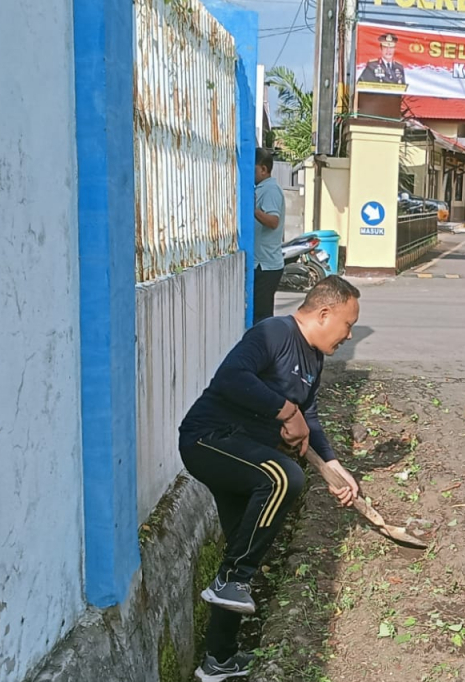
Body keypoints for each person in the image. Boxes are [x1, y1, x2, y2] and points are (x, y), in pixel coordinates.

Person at [178, 276, 362, 681]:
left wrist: (333, 466)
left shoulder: (314, 359)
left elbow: (307, 417)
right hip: (210, 440)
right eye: (348, 325)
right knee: (284, 478)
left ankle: (218, 660)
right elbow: (231, 378)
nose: (349, 335)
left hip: (247, 456)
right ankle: (233, 579)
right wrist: (284, 410)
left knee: (242, 553)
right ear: (325, 313)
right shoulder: (272, 333)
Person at [252, 147, 286, 326]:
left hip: (266, 266)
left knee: (261, 317)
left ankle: (265, 351)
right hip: (262, 263)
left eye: (254, 168)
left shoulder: (270, 190)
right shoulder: (262, 188)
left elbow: (273, 221)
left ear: (264, 169)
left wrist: (253, 210)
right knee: (259, 315)